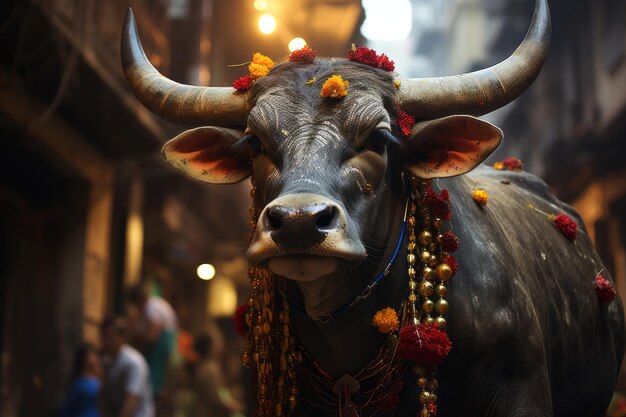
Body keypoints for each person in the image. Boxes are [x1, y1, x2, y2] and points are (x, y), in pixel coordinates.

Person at [126, 285, 178, 398]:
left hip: (163, 341)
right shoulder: (151, 306)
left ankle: (157, 391)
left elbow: (152, 336)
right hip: (162, 341)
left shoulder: (151, 307)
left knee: (156, 373)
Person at [100, 317, 155, 417]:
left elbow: (131, 401)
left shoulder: (133, 362)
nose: (107, 341)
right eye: (104, 336)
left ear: (122, 338)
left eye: (111, 336)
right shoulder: (107, 360)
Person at [194, 332, 245, 417]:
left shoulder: (203, 365)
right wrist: (231, 406)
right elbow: (215, 397)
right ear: (209, 347)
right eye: (216, 343)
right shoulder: (211, 368)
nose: (220, 345)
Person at [58, 344, 102, 417]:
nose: (95, 357)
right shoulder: (79, 383)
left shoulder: (99, 377)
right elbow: (67, 407)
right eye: (91, 355)